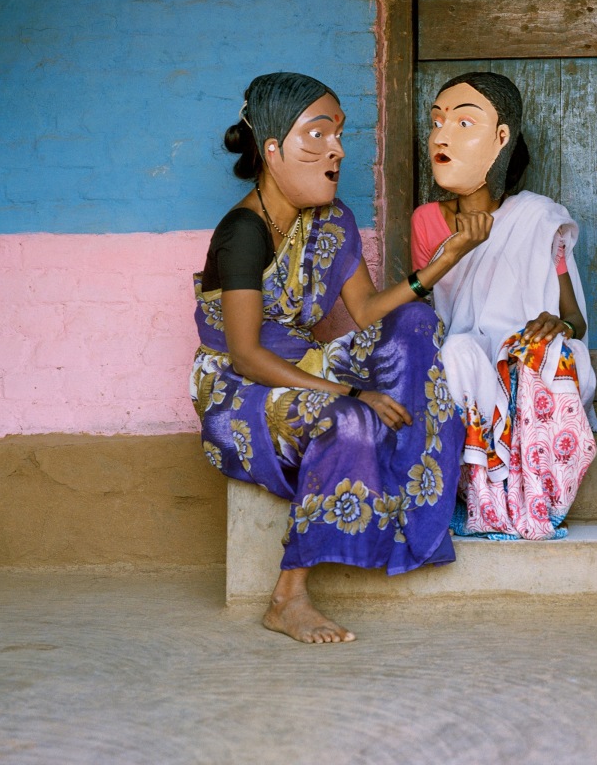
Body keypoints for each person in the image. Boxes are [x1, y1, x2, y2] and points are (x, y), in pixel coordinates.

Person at [191, 72, 490, 644]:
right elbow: (247, 355)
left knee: (416, 322)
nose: (338, 151)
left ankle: (409, 494)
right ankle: (288, 598)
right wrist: (354, 393)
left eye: (339, 136)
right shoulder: (242, 233)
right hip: (239, 388)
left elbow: (369, 311)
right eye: (319, 136)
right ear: (273, 150)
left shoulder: (331, 220)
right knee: (350, 422)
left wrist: (444, 261)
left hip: (307, 364)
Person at [410, 71, 597, 541]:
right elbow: (426, 311)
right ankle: (481, 500)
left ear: (501, 138)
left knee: (547, 356)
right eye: (436, 122)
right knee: (454, 355)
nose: (442, 136)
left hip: (524, 362)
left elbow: (574, 319)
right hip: (468, 359)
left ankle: (537, 496)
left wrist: (557, 324)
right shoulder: (427, 222)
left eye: (463, 123)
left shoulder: (536, 218)